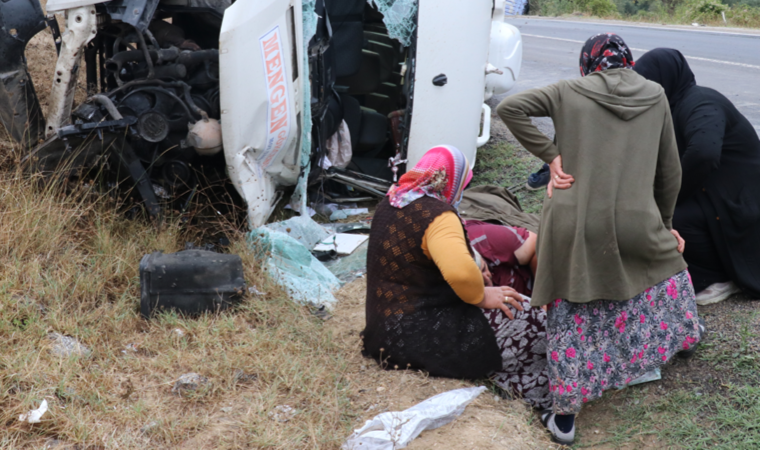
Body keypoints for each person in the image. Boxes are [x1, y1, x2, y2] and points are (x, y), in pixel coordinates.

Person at [496, 34, 703, 445]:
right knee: (659, 276)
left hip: (573, 219)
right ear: (627, 62)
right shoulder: (656, 95)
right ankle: (684, 339)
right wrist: (662, 224)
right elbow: (670, 173)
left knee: (571, 310)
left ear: (587, 63)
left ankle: (565, 419)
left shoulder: (568, 91)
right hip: (635, 217)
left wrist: (551, 156)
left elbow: (509, 107)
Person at [362, 145, 551, 409]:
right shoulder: (438, 216)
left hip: (384, 333)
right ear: (451, 181)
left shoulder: (391, 203)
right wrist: (482, 295)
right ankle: (544, 398)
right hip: (419, 338)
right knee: (541, 324)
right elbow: (461, 274)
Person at [634, 48, 760, 305]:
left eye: (646, 82)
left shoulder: (700, 102)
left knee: (671, 219)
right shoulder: (671, 106)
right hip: (717, 194)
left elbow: (704, 154)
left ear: (663, 79)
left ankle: (723, 277)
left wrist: (671, 198)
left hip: (741, 202)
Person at [465, 221, 537, 295]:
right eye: (478, 279)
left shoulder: (483, 237)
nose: (486, 278)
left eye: (483, 270)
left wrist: (541, 297)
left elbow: (536, 245)